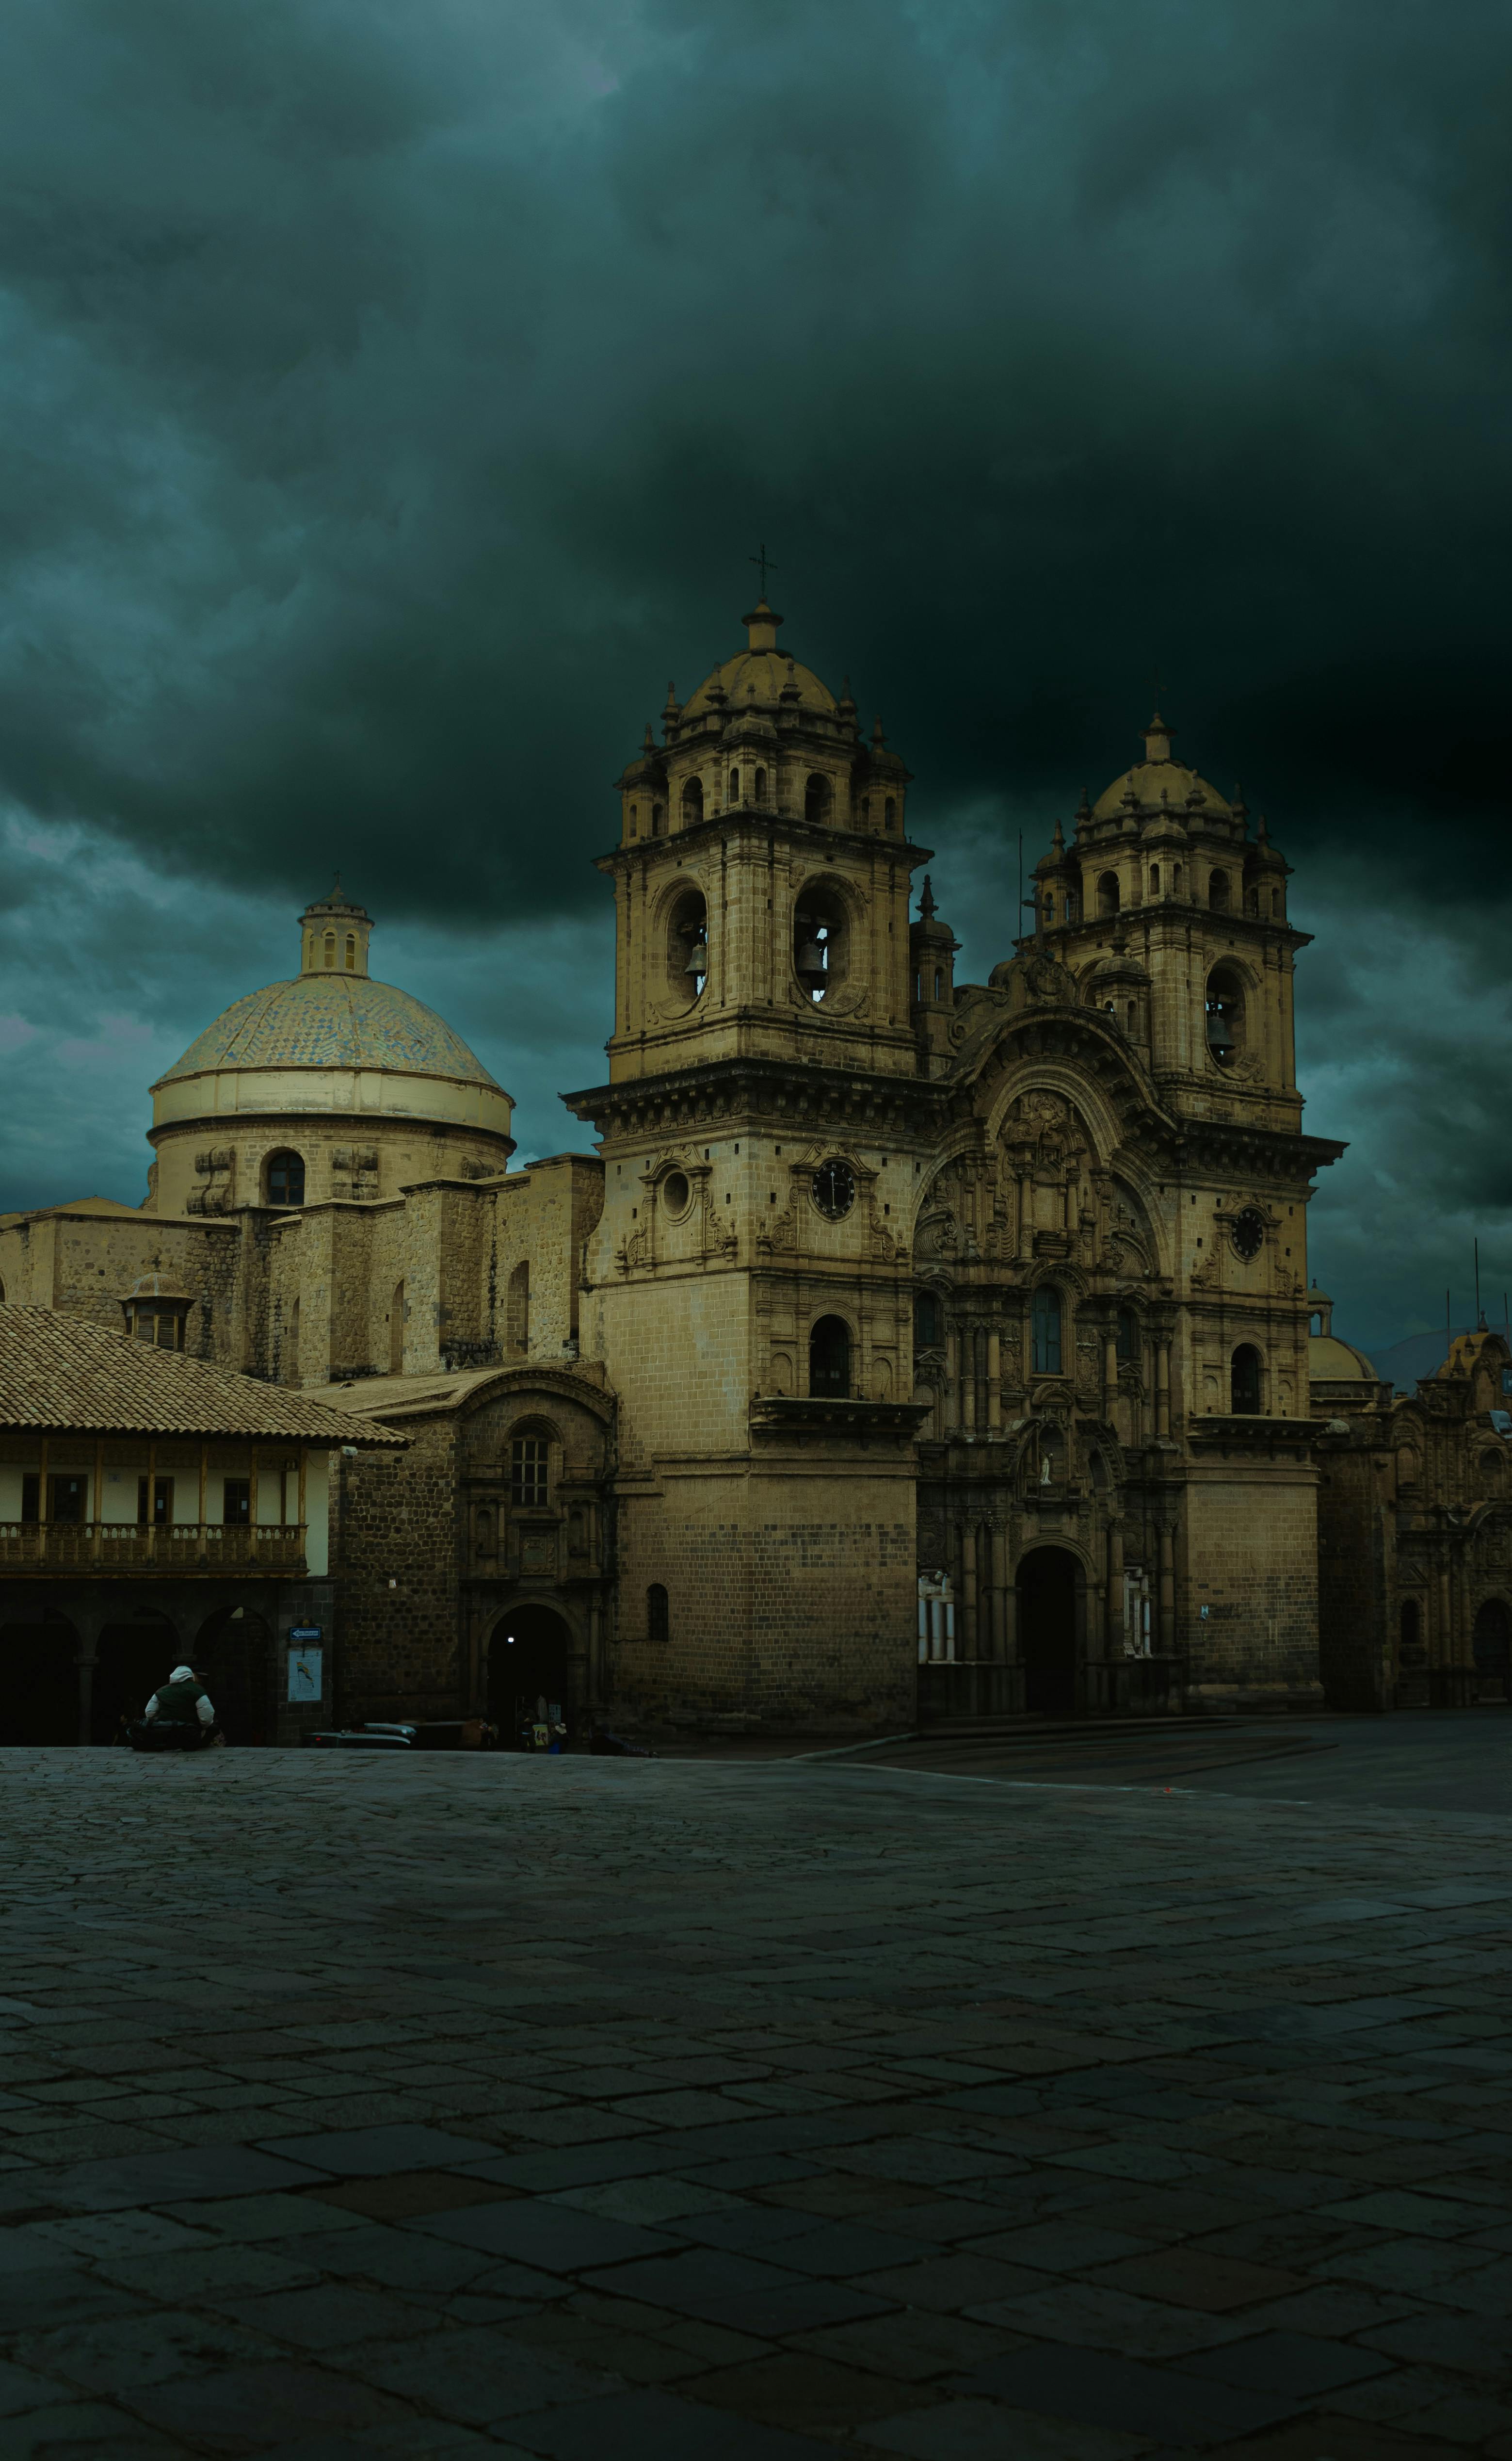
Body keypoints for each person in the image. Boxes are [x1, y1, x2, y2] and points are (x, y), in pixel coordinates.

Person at [143, 1663, 218, 1746]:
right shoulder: (198, 1690)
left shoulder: (161, 1691)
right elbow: (206, 1719)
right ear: (191, 1676)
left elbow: (149, 1713)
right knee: (214, 1727)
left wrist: (163, 1721)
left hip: (165, 1732)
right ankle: (200, 1746)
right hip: (189, 1733)